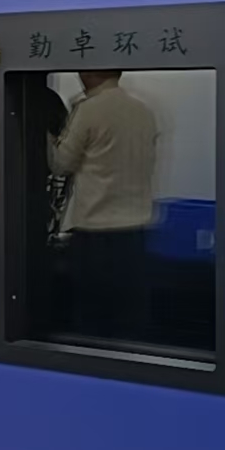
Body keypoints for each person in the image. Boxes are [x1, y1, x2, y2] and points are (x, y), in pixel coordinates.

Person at [51, 71, 159, 341]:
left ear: (87, 74)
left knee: (92, 321)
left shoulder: (89, 110)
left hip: (95, 235)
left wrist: (44, 133)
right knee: (129, 319)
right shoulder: (143, 111)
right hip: (135, 233)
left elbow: (61, 164)